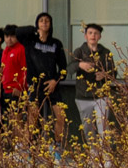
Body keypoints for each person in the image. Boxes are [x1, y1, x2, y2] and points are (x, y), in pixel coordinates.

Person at [26, 10, 71, 143]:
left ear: (51, 24)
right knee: (32, 117)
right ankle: (28, 149)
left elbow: (63, 68)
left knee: (61, 116)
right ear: (37, 24)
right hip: (35, 85)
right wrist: (35, 30)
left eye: (47, 21)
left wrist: (55, 81)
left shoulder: (56, 43)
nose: (44, 23)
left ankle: (57, 147)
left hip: (52, 86)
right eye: (41, 21)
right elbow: (19, 32)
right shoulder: (30, 42)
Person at [73, 22, 118, 138]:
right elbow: (68, 68)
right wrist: (80, 65)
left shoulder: (106, 52)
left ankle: (105, 154)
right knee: (88, 129)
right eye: (90, 33)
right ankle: (93, 153)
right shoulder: (79, 51)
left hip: (101, 95)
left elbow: (114, 72)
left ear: (100, 36)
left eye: (96, 33)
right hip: (83, 96)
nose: (93, 36)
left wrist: (105, 75)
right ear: (85, 36)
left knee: (103, 127)